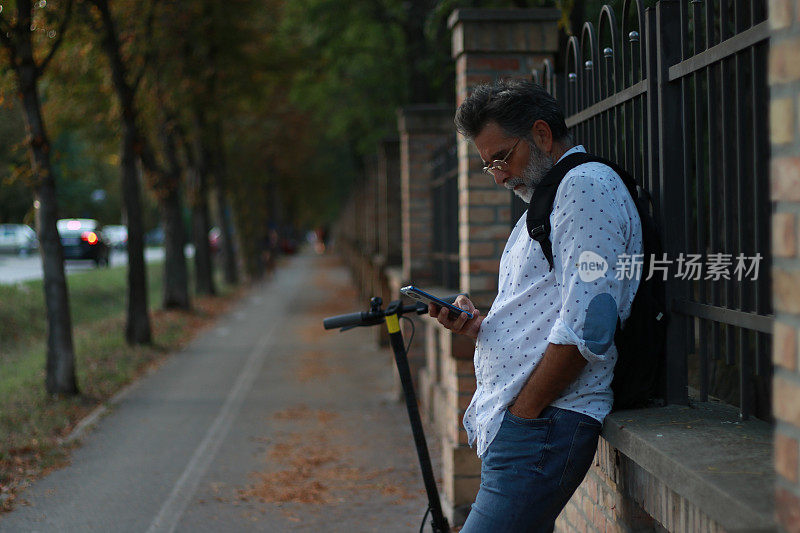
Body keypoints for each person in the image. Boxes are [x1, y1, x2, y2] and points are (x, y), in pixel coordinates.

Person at [428, 79, 643, 532]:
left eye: (502, 158)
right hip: (531, 426)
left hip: (543, 425)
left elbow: (591, 322)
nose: (501, 176)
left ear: (541, 135)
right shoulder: (551, 197)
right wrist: (479, 326)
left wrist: (525, 413)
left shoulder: (583, 187)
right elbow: (550, 309)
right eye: (490, 167)